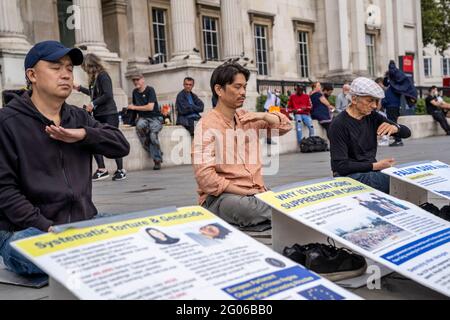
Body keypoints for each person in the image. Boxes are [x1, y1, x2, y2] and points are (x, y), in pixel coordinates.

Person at [0, 41, 130, 276]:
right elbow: (4, 192)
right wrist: (46, 227)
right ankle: (93, 256)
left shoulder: (78, 117)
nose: (65, 75)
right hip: (28, 229)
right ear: (32, 75)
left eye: (69, 69)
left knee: (141, 235)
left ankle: (90, 254)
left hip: (82, 223)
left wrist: (83, 135)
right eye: (55, 67)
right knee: (39, 253)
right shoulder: (7, 122)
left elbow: (121, 145)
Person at [192, 62, 292, 229]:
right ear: (219, 90)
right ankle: (286, 211)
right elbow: (205, 178)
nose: (243, 92)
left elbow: (286, 126)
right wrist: (245, 193)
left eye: (244, 87)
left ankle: (281, 210)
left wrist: (264, 116)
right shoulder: (206, 125)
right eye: (237, 87)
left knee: (278, 200)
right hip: (222, 197)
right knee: (248, 208)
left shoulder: (247, 117)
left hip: (256, 193)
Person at [329, 77, 411, 194]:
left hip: (370, 171)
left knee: (409, 179)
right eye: (370, 101)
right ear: (354, 99)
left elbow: (407, 133)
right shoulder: (338, 124)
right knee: (395, 183)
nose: (374, 106)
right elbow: (340, 166)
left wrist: (396, 128)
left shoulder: (372, 116)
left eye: (376, 101)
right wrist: (375, 166)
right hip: (349, 176)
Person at [74, 53, 127, 181]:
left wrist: (93, 104)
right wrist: (80, 88)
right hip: (99, 114)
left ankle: (121, 170)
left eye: (86, 68)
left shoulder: (103, 76)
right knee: (94, 140)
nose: (85, 71)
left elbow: (108, 95)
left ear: (91, 66)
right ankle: (102, 169)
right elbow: (95, 94)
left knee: (113, 140)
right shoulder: (94, 79)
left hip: (109, 114)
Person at [128, 74, 164, 170]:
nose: (135, 82)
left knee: (152, 136)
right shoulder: (135, 92)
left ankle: (157, 160)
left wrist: (134, 107)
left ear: (143, 80)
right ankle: (157, 151)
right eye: (134, 80)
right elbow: (135, 109)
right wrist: (131, 120)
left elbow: (150, 107)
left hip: (155, 117)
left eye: (137, 79)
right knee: (139, 127)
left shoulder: (150, 90)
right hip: (143, 118)